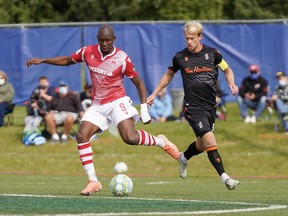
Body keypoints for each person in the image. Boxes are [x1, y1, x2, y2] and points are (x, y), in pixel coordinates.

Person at [25, 24, 179, 195]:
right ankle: (93, 180)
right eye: (101, 40)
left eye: (108, 40)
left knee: (129, 137)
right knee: (81, 135)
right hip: (98, 105)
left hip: (117, 101)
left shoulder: (122, 58)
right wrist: (44, 60)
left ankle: (161, 142)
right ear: (97, 39)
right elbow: (68, 60)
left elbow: (139, 83)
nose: (104, 43)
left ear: (114, 39)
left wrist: (143, 109)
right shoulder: (88, 52)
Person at [147, 21, 240, 190]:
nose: (188, 42)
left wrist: (231, 83)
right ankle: (226, 178)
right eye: (186, 38)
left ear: (200, 37)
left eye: (192, 38)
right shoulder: (180, 57)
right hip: (192, 107)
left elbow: (227, 69)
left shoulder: (213, 54)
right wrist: (153, 94)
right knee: (209, 139)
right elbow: (168, 75)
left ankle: (183, 158)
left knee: (202, 144)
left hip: (211, 107)